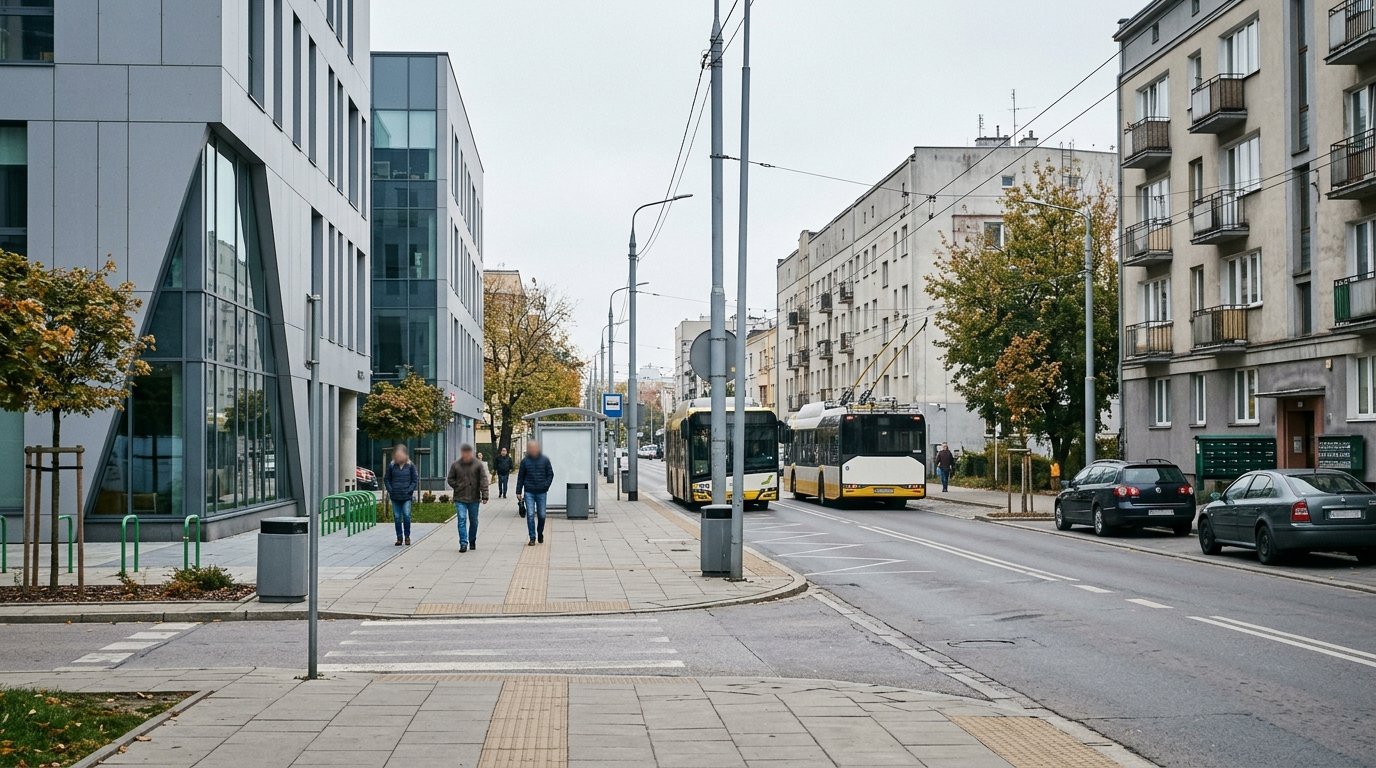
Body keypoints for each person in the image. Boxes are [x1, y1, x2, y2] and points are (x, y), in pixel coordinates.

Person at [446, 444, 489, 553]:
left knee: (474, 521)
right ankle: (463, 543)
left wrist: (485, 494)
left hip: (474, 498)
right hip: (460, 498)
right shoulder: (456, 465)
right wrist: (457, 486)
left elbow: (483, 480)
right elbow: (450, 479)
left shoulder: (478, 465)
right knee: (461, 519)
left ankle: (472, 539)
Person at [515, 440, 554, 546]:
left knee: (542, 515)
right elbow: (520, 477)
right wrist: (518, 491)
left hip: (542, 492)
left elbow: (550, 474)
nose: (532, 450)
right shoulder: (525, 461)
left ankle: (540, 532)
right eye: (530, 448)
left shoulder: (545, 460)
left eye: (534, 448)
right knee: (530, 515)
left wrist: (546, 485)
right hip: (529, 492)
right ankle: (532, 537)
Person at [383, 445, 419, 546]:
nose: (399, 456)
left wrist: (410, 490)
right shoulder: (391, 466)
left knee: (407, 515)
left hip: (406, 496)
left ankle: (407, 536)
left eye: (400, 454)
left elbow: (414, 480)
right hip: (395, 496)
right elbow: (387, 479)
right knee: (397, 517)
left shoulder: (410, 466)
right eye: (397, 455)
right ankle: (399, 537)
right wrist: (391, 490)